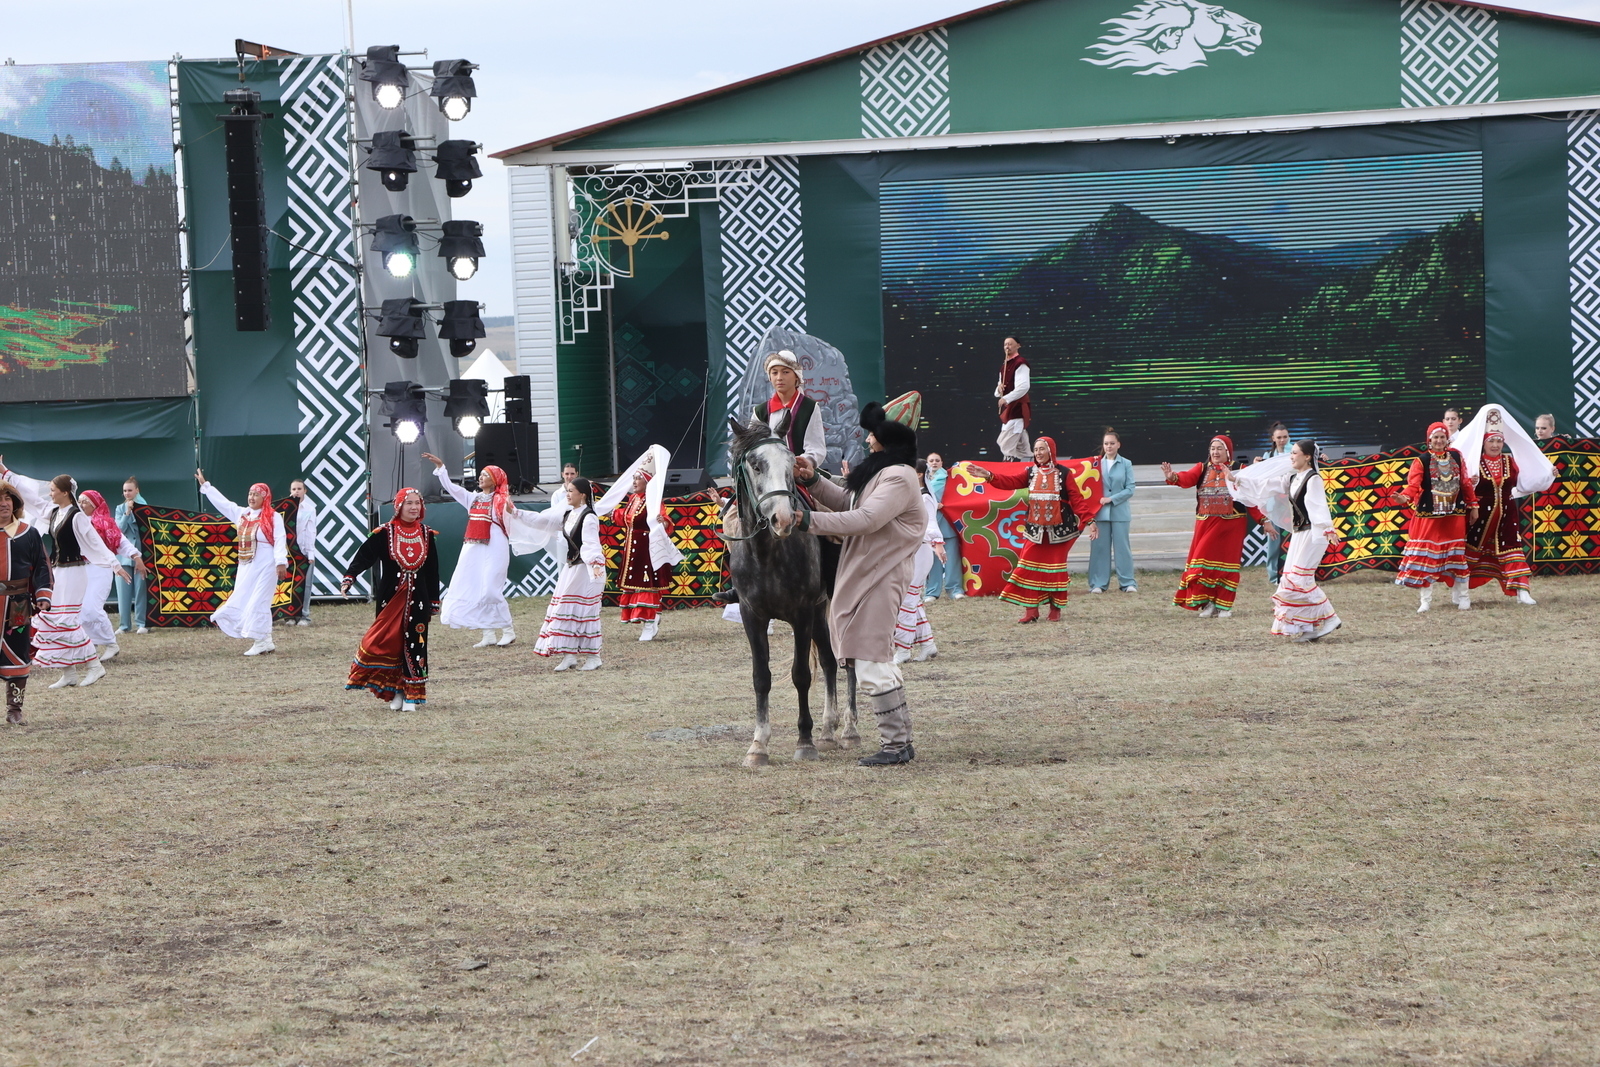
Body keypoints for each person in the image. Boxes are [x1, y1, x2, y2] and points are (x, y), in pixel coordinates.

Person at [792, 403, 927, 766]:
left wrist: (804, 520)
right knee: (874, 659)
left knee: (871, 660)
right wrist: (812, 480)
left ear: (887, 441)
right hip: (867, 573)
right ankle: (900, 742)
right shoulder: (884, 474)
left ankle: (896, 746)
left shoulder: (898, 477)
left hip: (880, 576)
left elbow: (865, 518)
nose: (868, 441)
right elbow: (847, 501)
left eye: (873, 436)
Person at [714, 350, 830, 606]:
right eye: (774, 373)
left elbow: (817, 448)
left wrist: (804, 463)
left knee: (827, 515)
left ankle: (830, 577)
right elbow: (753, 447)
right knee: (733, 518)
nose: (779, 378)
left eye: (785, 372)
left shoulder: (810, 407)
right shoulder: (761, 410)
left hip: (799, 475)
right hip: (768, 479)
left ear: (796, 377)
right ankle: (739, 584)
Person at [0, 462, 117, 687]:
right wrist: (7, 473)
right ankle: (70, 673)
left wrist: (113, 563)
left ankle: (95, 666)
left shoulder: (77, 516)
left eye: (53, 490)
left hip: (75, 573)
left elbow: (94, 540)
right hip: (59, 573)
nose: (50, 493)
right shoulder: (54, 512)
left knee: (68, 620)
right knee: (53, 619)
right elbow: (32, 498)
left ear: (65, 492)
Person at [967, 436, 1100, 623]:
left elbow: (1076, 499)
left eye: (1041, 449)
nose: (1038, 453)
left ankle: (1055, 610)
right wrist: (989, 476)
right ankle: (1031, 611)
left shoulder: (1064, 473)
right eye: (1035, 449)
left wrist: (1089, 521)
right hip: (1035, 531)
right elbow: (1010, 482)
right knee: (1027, 568)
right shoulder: (1030, 472)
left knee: (1055, 571)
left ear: (1050, 451)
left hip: (1058, 532)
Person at [422, 454, 548, 648]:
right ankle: (488, 633)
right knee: (475, 588)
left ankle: (508, 630)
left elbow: (513, 521)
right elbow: (452, 489)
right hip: (472, 548)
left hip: (495, 547)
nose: (481, 478)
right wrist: (441, 468)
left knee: (490, 589)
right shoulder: (472, 498)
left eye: (485, 475)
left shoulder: (501, 501)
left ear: (495, 480)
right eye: (480, 475)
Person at [341, 487, 440, 712]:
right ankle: (394, 690)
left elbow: (433, 570)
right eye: (409, 503)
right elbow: (364, 556)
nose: (415, 507)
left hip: (419, 599)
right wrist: (349, 578)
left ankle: (411, 694)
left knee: (415, 644)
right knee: (388, 642)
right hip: (391, 598)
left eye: (417, 503)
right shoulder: (385, 532)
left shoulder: (426, 534)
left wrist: (434, 600)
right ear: (398, 507)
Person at [1232, 441, 1342, 642]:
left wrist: (1328, 529)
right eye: (1291, 453)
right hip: (1300, 534)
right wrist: (1238, 480)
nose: (1291, 457)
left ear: (1307, 456)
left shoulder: (1313, 479)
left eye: (1295, 453)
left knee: (1301, 579)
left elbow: (1318, 506)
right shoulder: (1292, 478)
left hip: (1314, 534)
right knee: (1291, 579)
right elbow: (1265, 486)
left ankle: (1331, 618)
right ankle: (1308, 627)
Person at [1455, 405, 1555, 606]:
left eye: (1499, 441)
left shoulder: (1509, 461)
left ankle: (1522, 592)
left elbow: (1523, 482)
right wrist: (1471, 484)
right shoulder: (1474, 462)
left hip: (1507, 514)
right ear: (1483, 443)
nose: (1495, 444)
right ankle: (1461, 592)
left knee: (1513, 548)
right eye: (1491, 440)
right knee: (1471, 551)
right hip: (1480, 515)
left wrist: (1546, 473)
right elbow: (1460, 486)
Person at [1160, 435, 1268, 618]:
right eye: (1212, 449)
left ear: (1228, 451)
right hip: (1206, 524)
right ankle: (1208, 603)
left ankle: (1224, 606)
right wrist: (1173, 477)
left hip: (1232, 525)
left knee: (1227, 566)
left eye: (1219, 448)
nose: (1215, 452)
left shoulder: (1240, 470)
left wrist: (1264, 520)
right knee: (1200, 563)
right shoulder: (1202, 468)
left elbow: (1251, 498)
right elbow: (1186, 478)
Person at [198, 470, 288, 655]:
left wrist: (280, 562)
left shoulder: (273, 517)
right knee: (244, 597)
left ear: (264, 497)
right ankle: (266, 639)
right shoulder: (243, 514)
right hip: (247, 564)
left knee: (259, 601)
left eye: (256, 494)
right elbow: (225, 505)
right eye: (250, 494)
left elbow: (280, 539)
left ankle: (261, 641)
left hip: (267, 564)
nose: (251, 497)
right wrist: (206, 487)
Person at [1393, 423, 1479, 612]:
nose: (1439, 441)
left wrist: (1473, 506)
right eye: (1435, 438)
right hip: (1429, 515)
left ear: (1447, 438)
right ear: (1429, 440)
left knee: (1457, 555)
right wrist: (1404, 497)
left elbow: (1465, 483)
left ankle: (1463, 597)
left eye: (1442, 437)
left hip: (1453, 514)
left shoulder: (1456, 456)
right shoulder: (1421, 461)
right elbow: (1413, 485)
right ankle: (1426, 600)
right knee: (1427, 557)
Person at [534, 477, 606, 671]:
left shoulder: (588, 517)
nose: (568, 494)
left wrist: (597, 565)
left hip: (587, 570)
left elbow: (591, 544)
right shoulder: (569, 514)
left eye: (571, 491)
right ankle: (569, 654)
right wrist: (515, 514)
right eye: (567, 490)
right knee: (566, 610)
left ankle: (594, 656)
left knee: (585, 611)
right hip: (572, 568)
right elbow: (543, 522)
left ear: (582, 494)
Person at [1, 479, 52, 723]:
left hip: (17, 604)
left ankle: (14, 710)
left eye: (7, 498)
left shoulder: (28, 533)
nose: (3, 504)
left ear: (15, 502)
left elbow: (42, 566)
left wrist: (43, 594)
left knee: (19, 653)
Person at [76, 490, 144, 664]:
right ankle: (92, 645)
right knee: (81, 611)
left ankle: (111, 643)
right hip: (82, 569)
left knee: (92, 608)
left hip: (102, 568)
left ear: (95, 504)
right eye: (80, 501)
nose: (81, 504)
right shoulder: (77, 522)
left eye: (85, 501)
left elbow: (121, 542)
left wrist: (136, 557)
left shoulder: (106, 524)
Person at [893, 463, 944, 664]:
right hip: (912, 550)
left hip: (920, 550)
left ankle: (903, 649)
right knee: (912, 600)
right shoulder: (913, 495)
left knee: (906, 600)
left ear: (919, 474)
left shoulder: (924, 497)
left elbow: (930, 523)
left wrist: (937, 542)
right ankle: (927, 643)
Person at [1087, 428, 1137, 593]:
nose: (1109, 446)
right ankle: (1098, 583)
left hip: (1120, 512)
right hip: (1100, 513)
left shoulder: (1126, 463)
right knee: (1099, 548)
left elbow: (1130, 489)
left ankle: (1127, 582)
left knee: (1123, 548)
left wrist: (1112, 499)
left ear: (1118, 445)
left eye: (1112, 443)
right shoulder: (1095, 464)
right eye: (1106, 443)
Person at [922, 452, 964, 601]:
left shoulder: (950, 479)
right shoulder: (921, 480)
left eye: (937, 460)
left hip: (947, 522)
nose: (934, 463)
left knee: (952, 558)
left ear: (941, 463)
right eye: (931, 460)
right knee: (932, 560)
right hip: (930, 525)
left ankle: (955, 588)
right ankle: (932, 591)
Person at [113, 478, 149, 634]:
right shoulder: (119, 508)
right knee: (123, 592)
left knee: (141, 591)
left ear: (137, 491)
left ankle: (142, 623)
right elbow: (119, 529)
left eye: (130, 490)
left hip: (142, 555)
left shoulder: (145, 507)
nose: (127, 493)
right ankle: (124, 625)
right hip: (123, 557)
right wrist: (127, 512)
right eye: (125, 491)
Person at [1258, 422, 1293, 586]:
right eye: (1279, 437)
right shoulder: (1267, 456)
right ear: (1273, 438)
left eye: (1285, 436)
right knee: (1274, 541)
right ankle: (1274, 576)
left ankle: (1295, 573)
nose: (1282, 440)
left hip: (1293, 504)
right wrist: (1257, 465)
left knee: (1296, 540)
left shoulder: (1297, 451)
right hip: (1274, 505)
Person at [994, 337, 1032, 461]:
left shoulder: (1020, 363)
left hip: (1017, 407)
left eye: (1010, 344)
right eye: (1005, 344)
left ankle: (1010, 461)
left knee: (1005, 441)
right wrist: (999, 390)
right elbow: (999, 388)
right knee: (1021, 443)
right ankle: (1028, 459)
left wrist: (1007, 398)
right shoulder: (1004, 366)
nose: (1007, 346)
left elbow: (1024, 386)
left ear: (1018, 346)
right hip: (1009, 408)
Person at [289, 479, 318, 626]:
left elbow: (311, 532)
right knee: (290, 583)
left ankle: (304, 615)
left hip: (304, 551)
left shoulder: (309, 509)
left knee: (305, 584)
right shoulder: (285, 508)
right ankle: (291, 615)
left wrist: (310, 553)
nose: (296, 491)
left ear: (304, 491)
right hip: (289, 552)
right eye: (294, 489)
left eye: (299, 488)